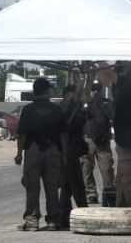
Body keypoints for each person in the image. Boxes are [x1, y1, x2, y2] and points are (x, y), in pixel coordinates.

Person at [14, 77, 66, 231]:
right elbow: (63, 134)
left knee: (32, 187)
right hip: (53, 150)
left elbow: (22, 134)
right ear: (48, 91)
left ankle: (32, 221)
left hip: (33, 150)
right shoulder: (56, 109)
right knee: (52, 187)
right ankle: (53, 221)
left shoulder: (28, 110)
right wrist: (64, 154)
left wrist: (19, 154)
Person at [110, 62, 131, 208]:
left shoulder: (129, 88)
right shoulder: (128, 89)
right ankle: (122, 209)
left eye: (120, 71)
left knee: (127, 180)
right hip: (127, 139)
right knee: (120, 180)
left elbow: (108, 77)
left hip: (130, 140)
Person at [58, 83, 90, 215]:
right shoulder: (68, 108)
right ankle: (83, 210)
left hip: (70, 149)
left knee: (67, 185)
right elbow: (68, 127)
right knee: (76, 183)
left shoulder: (71, 107)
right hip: (68, 149)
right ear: (68, 95)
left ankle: (64, 212)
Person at [81, 81, 115, 205]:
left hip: (102, 141)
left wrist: (100, 104)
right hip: (88, 140)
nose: (95, 92)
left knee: (106, 168)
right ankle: (91, 194)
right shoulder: (85, 104)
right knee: (86, 169)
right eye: (93, 89)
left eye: (97, 89)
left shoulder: (106, 103)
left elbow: (112, 116)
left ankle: (109, 192)